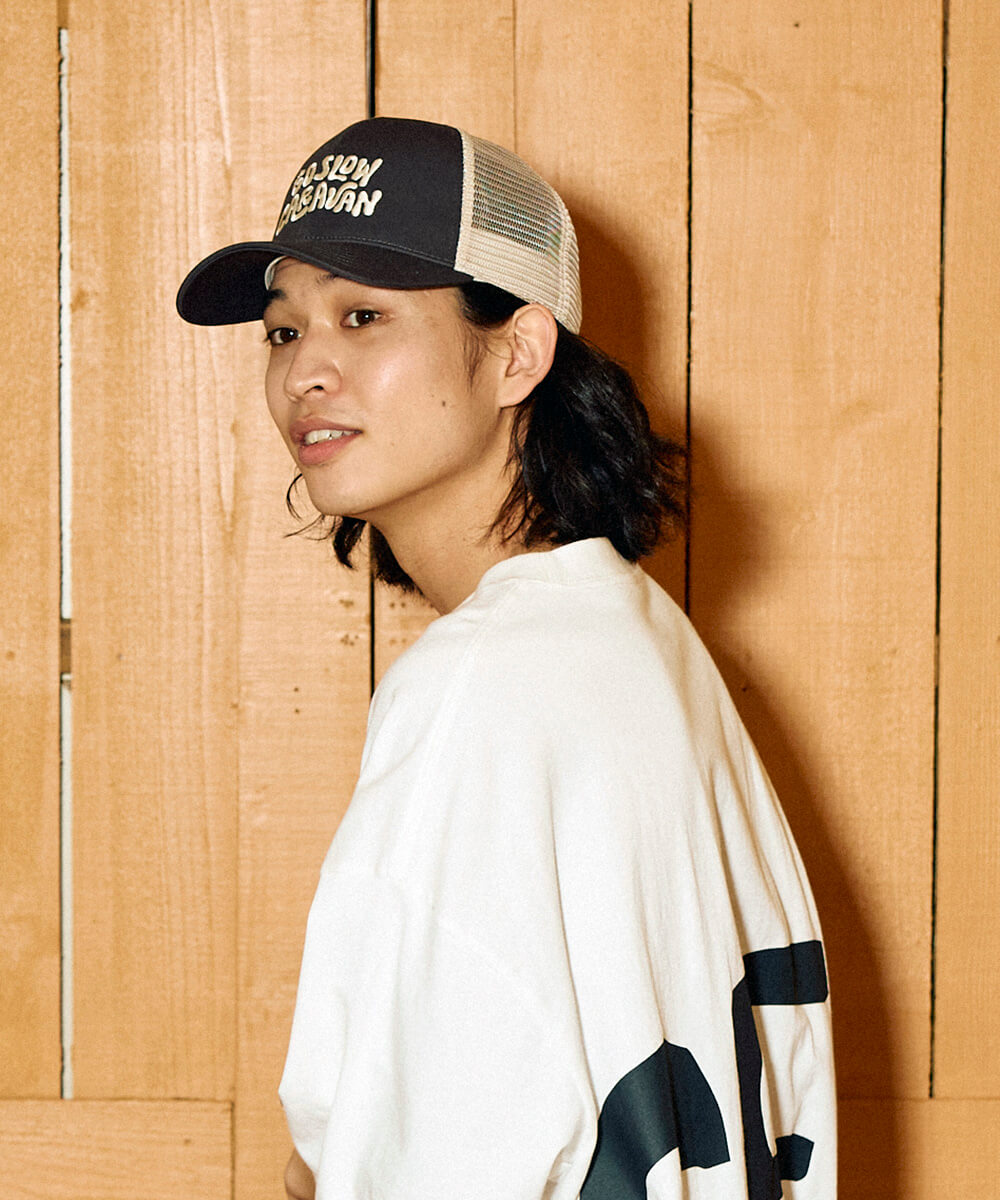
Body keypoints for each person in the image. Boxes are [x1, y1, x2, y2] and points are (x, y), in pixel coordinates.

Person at [177, 116, 836, 1200]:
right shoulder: (632, 634)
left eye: (363, 316)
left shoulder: (483, 683)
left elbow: (419, 1159)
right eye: (283, 330)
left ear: (519, 353)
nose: (305, 372)